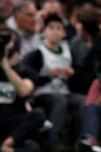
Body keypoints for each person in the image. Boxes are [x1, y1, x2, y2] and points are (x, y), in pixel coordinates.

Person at [22, 14, 86, 142]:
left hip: (64, 91)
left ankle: (82, 138)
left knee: (82, 100)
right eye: (51, 28)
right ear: (44, 31)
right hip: (42, 93)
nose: (55, 31)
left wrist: (72, 74)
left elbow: (79, 76)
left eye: (58, 28)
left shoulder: (68, 52)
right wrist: (49, 76)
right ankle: (52, 137)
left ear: (64, 33)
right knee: (60, 101)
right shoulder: (37, 54)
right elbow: (29, 80)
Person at [0, 11, 44, 152]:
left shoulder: (26, 71)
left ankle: (7, 146)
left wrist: (5, 65)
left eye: (6, 42)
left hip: (14, 124)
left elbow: (24, 91)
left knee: (38, 115)